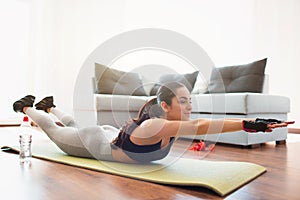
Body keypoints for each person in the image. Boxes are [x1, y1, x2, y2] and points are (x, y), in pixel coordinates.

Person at [13, 82, 293, 163]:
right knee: (54, 131)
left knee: (74, 123)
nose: (189, 106)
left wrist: (252, 123)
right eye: (183, 102)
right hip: (94, 142)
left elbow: (198, 125)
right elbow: (199, 127)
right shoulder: (157, 126)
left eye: (190, 100)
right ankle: (26, 106)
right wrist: (251, 123)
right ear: (166, 106)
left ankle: (50, 105)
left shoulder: (164, 122)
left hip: (111, 134)